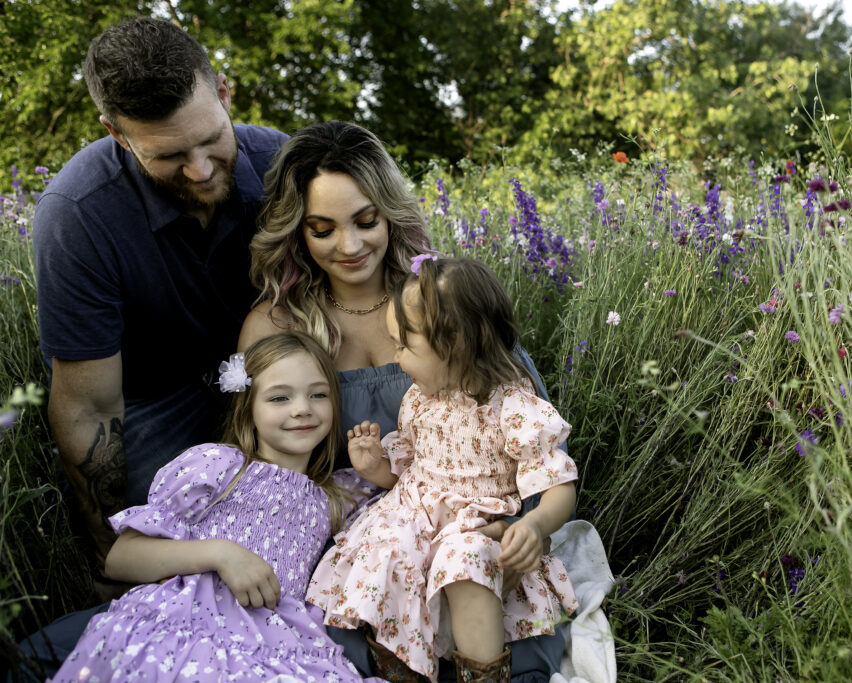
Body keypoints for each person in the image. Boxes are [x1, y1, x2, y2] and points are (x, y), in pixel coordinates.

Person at [238, 121, 569, 682]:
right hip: (374, 540)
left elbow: (521, 421)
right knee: (342, 649)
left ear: (390, 212)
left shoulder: (438, 297)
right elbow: (269, 471)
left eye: (367, 221)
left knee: (503, 639)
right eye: (323, 229)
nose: (350, 246)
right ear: (297, 232)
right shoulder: (278, 325)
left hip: (478, 524)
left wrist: (523, 531)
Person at [33, 16, 288, 582]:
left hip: (278, 375)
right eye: (169, 155)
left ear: (224, 92)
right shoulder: (77, 215)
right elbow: (88, 408)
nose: (198, 170)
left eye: (211, 139)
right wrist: (110, 554)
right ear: (117, 134)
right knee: (170, 551)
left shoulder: (284, 167)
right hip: (155, 401)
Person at [308, 257, 578, 683]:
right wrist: (375, 466)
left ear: (453, 345)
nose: (395, 358)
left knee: (464, 558)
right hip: (412, 516)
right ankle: (399, 668)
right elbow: (410, 473)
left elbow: (559, 484)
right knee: (389, 552)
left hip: (475, 526)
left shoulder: (513, 407)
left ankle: (482, 674)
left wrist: (536, 526)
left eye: (403, 346)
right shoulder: (419, 399)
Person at [51, 332, 376, 683]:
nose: (302, 408)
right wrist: (222, 555)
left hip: (278, 640)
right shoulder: (218, 466)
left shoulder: (335, 496)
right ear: (248, 408)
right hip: (192, 621)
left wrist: (374, 465)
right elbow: (120, 558)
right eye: (279, 397)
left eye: (318, 394)